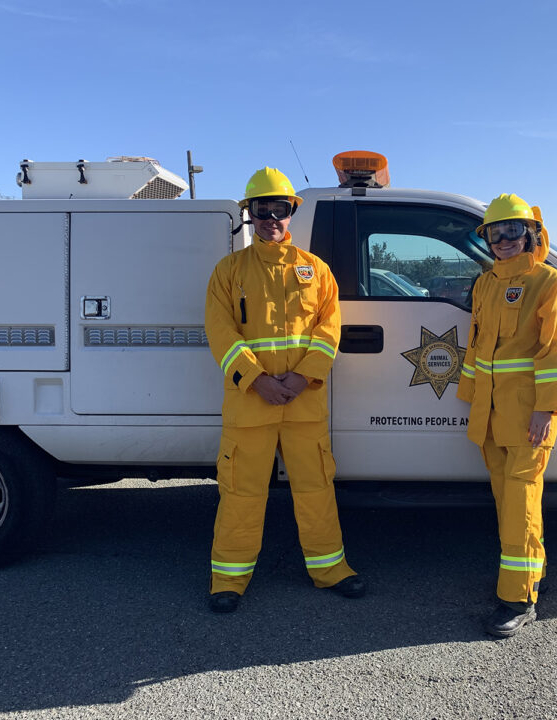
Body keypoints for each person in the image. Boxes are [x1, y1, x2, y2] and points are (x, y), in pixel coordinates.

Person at [204, 166, 365, 613]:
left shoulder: (317, 271)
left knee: (316, 488)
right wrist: (256, 379)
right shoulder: (228, 271)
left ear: (291, 212)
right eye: (262, 209)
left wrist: (301, 377)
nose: (271, 217)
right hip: (251, 402)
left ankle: (330, 569)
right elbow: (219, 332)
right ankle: (228, 580)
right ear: (249, 214)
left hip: (302, 400)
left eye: (280, 208)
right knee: (240, 493)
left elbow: (328, 330)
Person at [457, 194, 557, 637]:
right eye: (494, 232)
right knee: (510, 501)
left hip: (530, 416)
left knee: (519, 504)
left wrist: (547, 408)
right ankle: (534, 571)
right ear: (485, 237)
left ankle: (517, 598)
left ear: (531, 234)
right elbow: (476, 348)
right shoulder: (486, 283)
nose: (504, 239)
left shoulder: (549, 282)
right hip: (490, 415)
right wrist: (470, 396)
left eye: (512, 231)